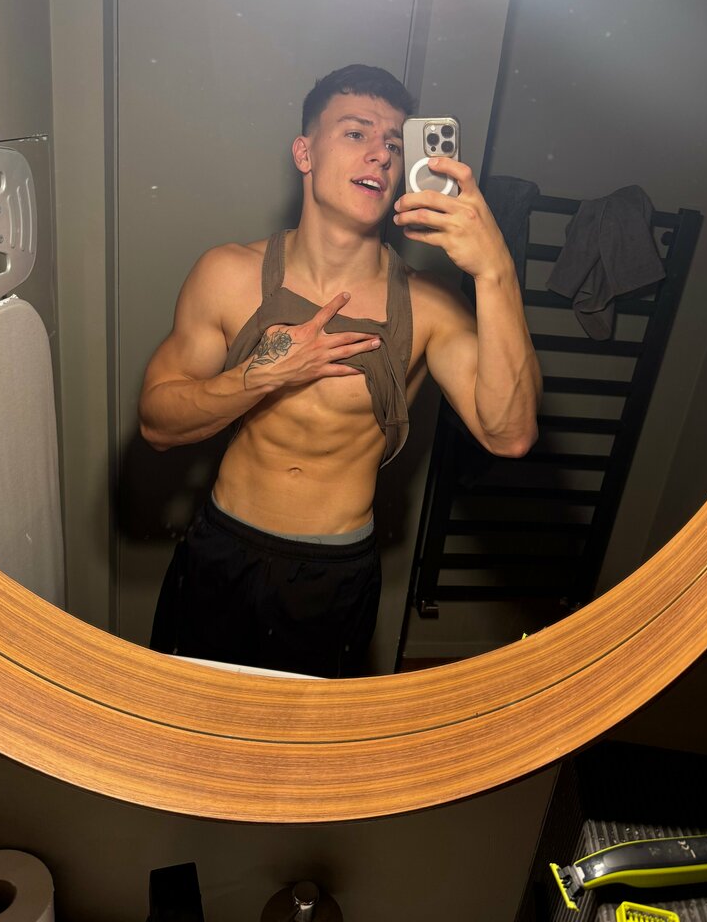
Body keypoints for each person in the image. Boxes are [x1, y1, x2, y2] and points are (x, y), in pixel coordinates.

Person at [139, 64, 541, 677]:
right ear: (304, 152)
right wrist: (260, 375)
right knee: (180, 731)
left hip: (333, 575)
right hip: (221, 550)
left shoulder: (430, 308)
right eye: (356, 133)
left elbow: (508, 434)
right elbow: (157, 424)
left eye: (395, 144)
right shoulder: (227, 274)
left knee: (303, 743)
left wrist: (496, 271)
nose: (381, 153)